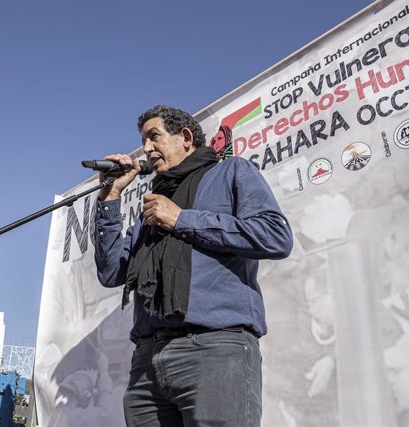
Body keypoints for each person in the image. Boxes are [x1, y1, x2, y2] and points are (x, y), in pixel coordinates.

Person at [94, 105, 293, 426]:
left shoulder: (232, 173)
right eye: (144, 141)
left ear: (185, 137)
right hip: (147, 361)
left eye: (154, 137)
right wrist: (110, 198)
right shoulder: (152, 209)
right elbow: (111, 272)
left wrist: (183, 219)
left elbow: (275, 237)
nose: (146, 149)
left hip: (213, 350)